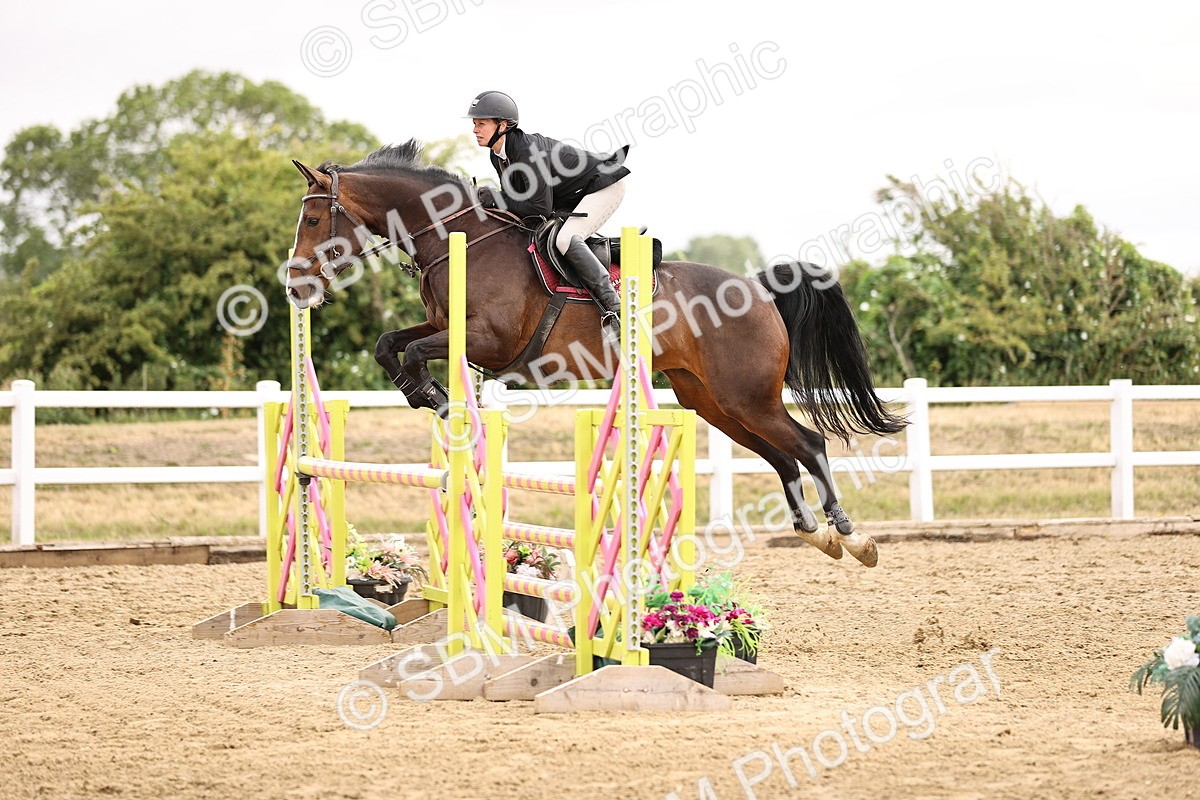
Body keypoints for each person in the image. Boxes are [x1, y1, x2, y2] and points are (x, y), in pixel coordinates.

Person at [467, 90, 630, 349]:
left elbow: (539, 208)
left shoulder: (527, 151)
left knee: (565, 239)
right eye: (474, 123)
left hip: (602, 186)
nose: (475, 129)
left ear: (503, 125)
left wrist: (496, 199)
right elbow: (519, 205)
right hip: (569, 196)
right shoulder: (497, 155)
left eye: (481, 123)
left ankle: (616, 310)